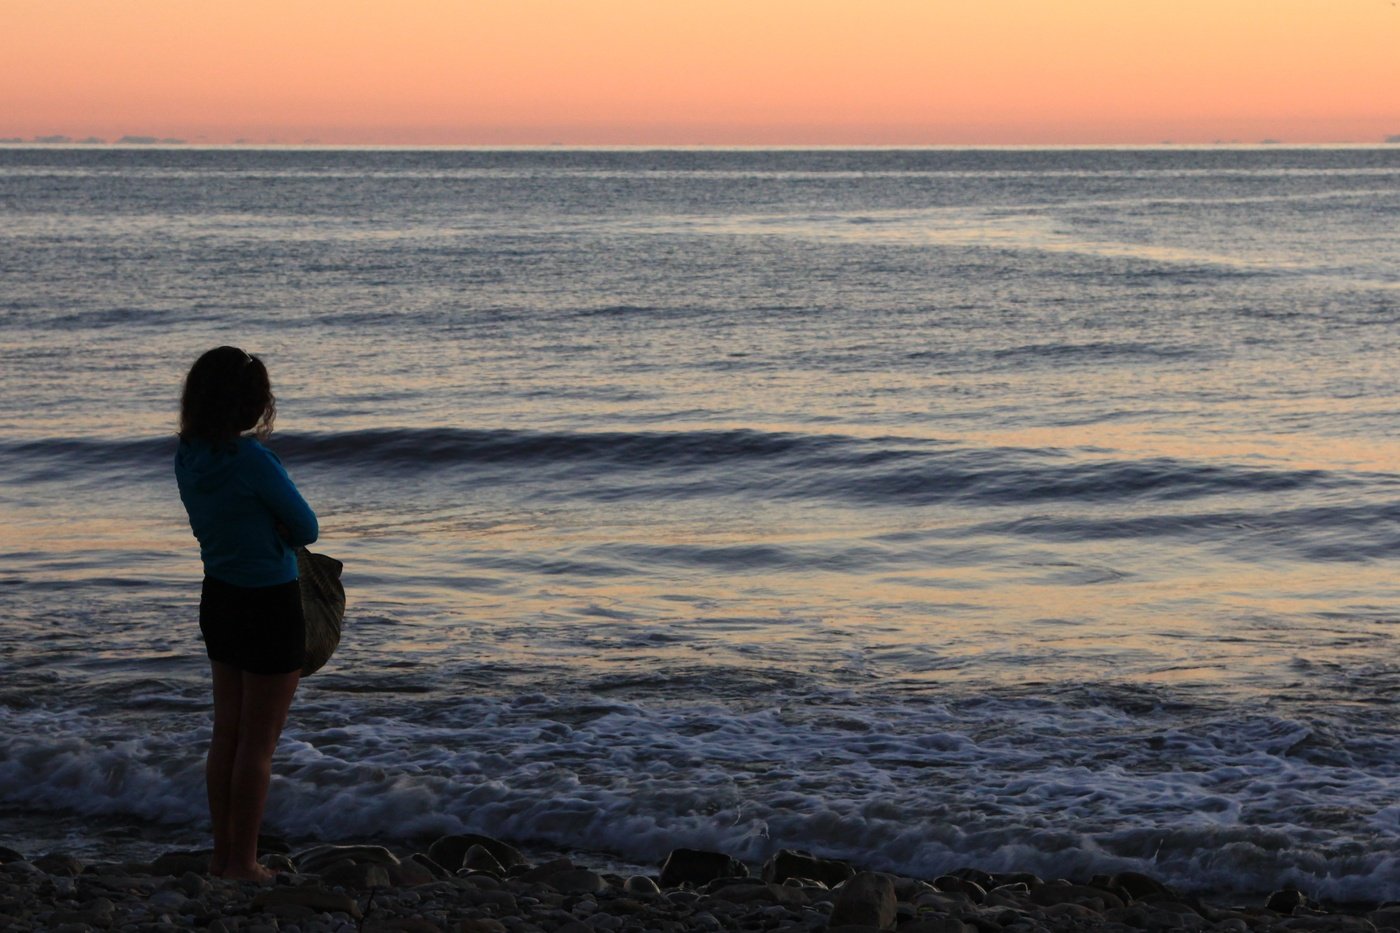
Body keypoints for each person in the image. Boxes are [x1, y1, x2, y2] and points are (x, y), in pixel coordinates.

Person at [174, 346, 318, 881]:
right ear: (252, 405)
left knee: (226, 735)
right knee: (258, 745)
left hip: (219, 597)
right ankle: (245, 862)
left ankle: (221, 855)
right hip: (269, 603)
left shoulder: (188, 453)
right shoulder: (253, 459)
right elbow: (306, 528)